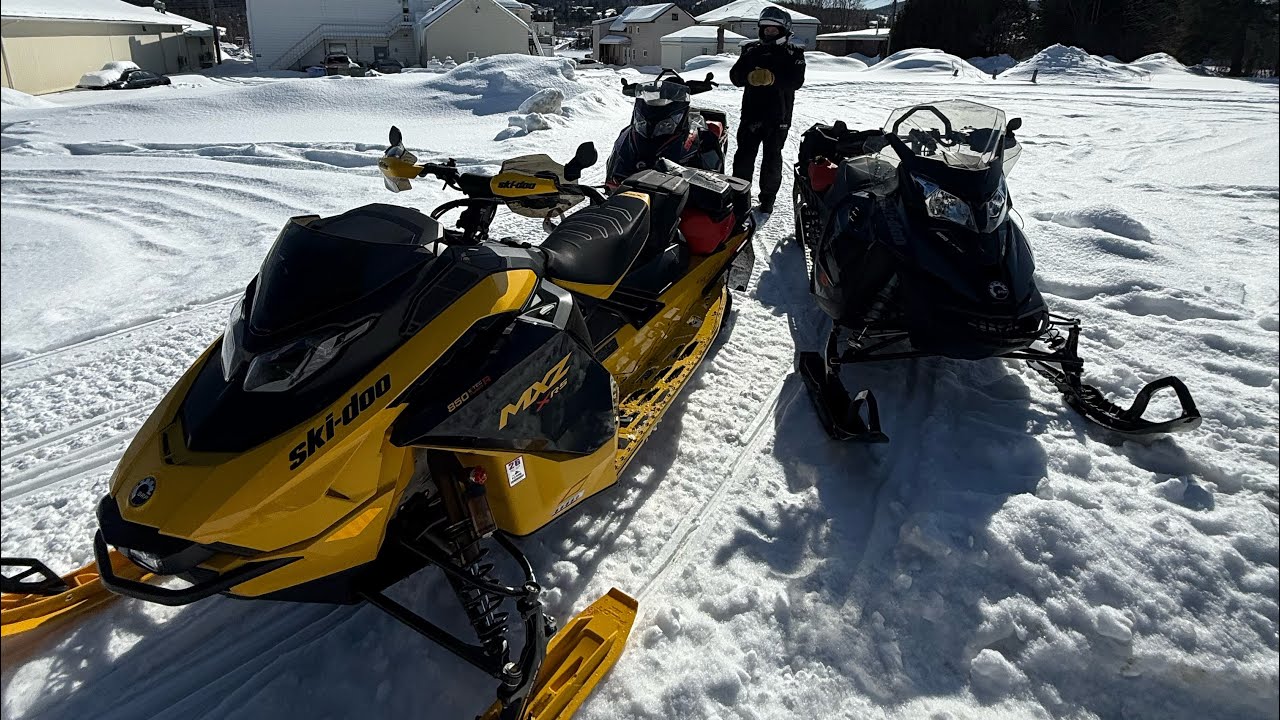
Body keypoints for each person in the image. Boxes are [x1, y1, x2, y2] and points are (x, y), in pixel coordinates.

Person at [729, 5, 806, 215]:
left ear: (784, 31)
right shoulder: (751, 51)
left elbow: (796, 80)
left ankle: (767, 201)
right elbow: (735, 76)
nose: (769, 32)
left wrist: (774, 79)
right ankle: (739, 199)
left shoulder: (794, 54)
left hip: (778, 117)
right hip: (751, 115)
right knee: (743, 158)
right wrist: (748, 77)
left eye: (774, 29)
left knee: (772, 160)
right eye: (766, 29)